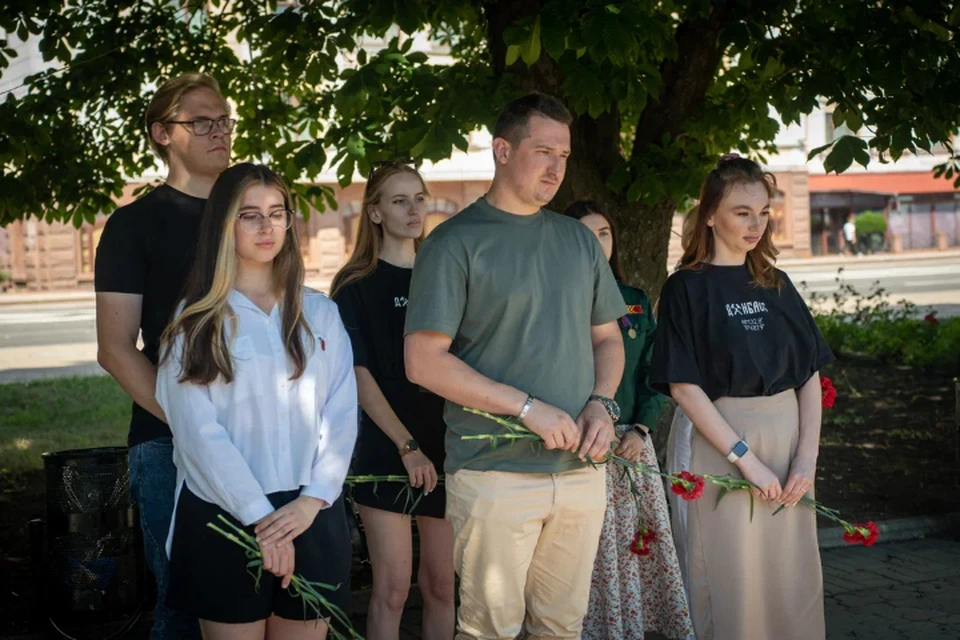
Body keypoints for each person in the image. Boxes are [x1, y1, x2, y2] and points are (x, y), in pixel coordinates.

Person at [403, 93, 626, 640]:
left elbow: (608, 339)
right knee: (490, 631)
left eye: (565, 155)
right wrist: (526, 407)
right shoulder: (454, 243)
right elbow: (423, 363)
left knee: (562, 628)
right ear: (502, 150)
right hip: (493, 471)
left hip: (579, 471)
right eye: (543, 151)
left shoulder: (578, 241)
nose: (556, 167)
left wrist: (601, 402)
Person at [155, 163, 357, 640]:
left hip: (312, 510)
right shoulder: (196, 322)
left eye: (276, 212)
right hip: (225, 511)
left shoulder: (320, 313)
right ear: (224, 224)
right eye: (250, 215)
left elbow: (341, 414)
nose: (267, 226)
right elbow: (197, 434)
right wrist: (262, 519)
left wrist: (311, 503)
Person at [650, 155, 834, 640]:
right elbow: (683, 386)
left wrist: (806, 460)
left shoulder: (775, 282)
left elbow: (808, 374)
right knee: (732, 579)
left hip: (789, 444)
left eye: (763, 212)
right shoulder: (686, 288)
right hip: (722, 444)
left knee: (790, 576)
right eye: (741, 212)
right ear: (709, 214)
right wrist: (745, 460)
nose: (756, 224)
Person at [94, 72, 233, 639]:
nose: (219, 130)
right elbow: (114, 349)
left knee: (253, 595)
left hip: (262, 432)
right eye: (202, 121)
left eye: (224, 119)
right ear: (162, 133)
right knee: (181, 604)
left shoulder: (252, 216)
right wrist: (191, 424)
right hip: (167, 440)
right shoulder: (133, 225)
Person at [330, 162, 455, 640]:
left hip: (444, 444)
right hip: (387, 447)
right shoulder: (354, 285)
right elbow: (358, 374)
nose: (414, 209)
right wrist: (406, 446)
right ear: (376, 213)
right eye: (399, 201)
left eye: (419, 198)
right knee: (393, 588)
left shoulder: (443, 274)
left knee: (442, 585)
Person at [565, 201, 695, 640]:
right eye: (585, 233)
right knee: (585, 554)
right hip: (574, 445)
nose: (597, 242)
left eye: (604, 233)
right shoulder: (554, 300)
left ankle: (631, 630)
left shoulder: (635, 301)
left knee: (633, 550)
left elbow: (654, 373)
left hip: (629, 446)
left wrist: (642, 428)